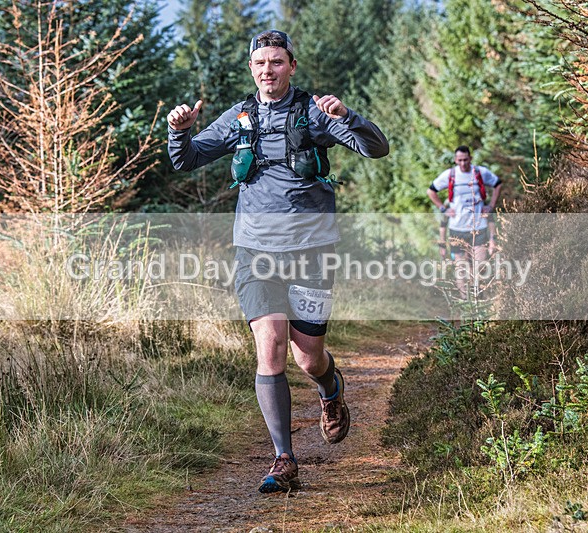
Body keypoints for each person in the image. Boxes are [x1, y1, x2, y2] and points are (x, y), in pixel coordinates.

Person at [167, 30, 389, 493]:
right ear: (251, 68)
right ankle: (284, 458)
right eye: (260, 63)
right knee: (269, 345)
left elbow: (376, 148)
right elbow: (186, 160)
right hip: (255, 252)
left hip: (311, 251)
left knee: (307, 357)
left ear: (291, 66)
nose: (267, 70)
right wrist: (179, 129)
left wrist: (347, 116)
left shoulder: (315, 111)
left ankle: (330, 390)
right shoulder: (239, 117)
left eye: (277, 62)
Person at [427, 145, 502, 299]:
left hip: (479, 227)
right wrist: (443, 208)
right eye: (460, 160)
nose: (463, 163)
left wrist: (491, 206)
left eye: (465, 160)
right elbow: (431, 191)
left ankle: (478, 301)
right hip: (457, 229)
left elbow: (498, 184)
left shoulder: (480, 172)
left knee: (479, 267)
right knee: (461, 269)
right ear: (455, 160)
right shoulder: (450, 175)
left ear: (470, 158)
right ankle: (465, 301)